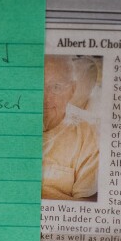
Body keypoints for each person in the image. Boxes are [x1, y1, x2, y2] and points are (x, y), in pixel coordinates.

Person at [42, 55, 99, 200]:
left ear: (72, 90)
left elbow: (85, 206)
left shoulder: (90, 135)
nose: (44, 98)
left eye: (56, 87)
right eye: (38, 85)